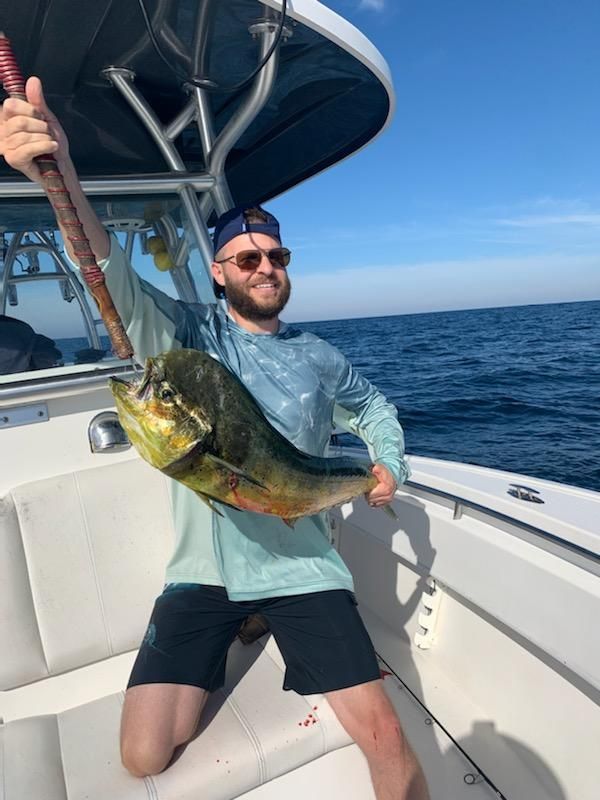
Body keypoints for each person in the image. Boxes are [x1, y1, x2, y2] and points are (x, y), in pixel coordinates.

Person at [0, 77, 430, 800]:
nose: (266, 268)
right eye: (249, 259)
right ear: (220, 271)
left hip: (300, 565)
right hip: (203, 570)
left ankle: (268, 616)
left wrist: (386, 463)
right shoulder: (191, 336)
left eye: (277, 257)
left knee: (386, 740)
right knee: (144, 755)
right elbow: (107, 268)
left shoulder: (320, 356)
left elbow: (373, 407)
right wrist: (59, 175)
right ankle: (239, 623)